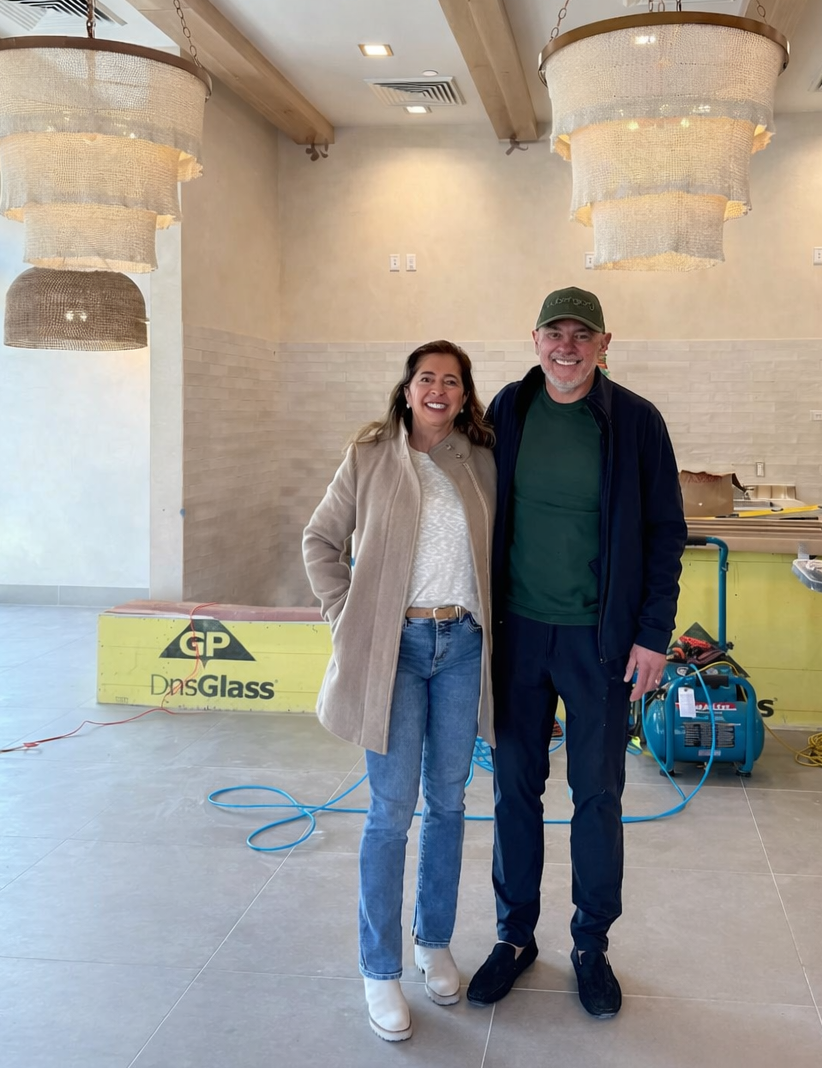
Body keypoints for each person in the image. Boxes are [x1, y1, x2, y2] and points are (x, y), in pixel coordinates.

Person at [467, 287, 688, 1019]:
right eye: (554, 333)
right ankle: (515, 937)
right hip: (518, 636)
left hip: (600, 643)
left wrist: (653, 633)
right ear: (534, 339)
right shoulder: (506, 408)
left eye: (581, 335)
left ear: (604, 343)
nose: (567, 346)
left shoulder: (635, 422)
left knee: (597, 797)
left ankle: (591, 944)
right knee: (513, 792)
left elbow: (665, 533)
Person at [303, 341, 496, 1042]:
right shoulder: (370, 456)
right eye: (426, 379)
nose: (438, 390)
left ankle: (432, 940)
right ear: (407, 389)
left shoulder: (480, 461)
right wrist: (347, 617)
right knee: (391, 811)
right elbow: (320, 540)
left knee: (448, 801)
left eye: (452, 380)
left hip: (463, 646)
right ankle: (379, 969)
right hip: (396, 651)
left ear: (465, 393)